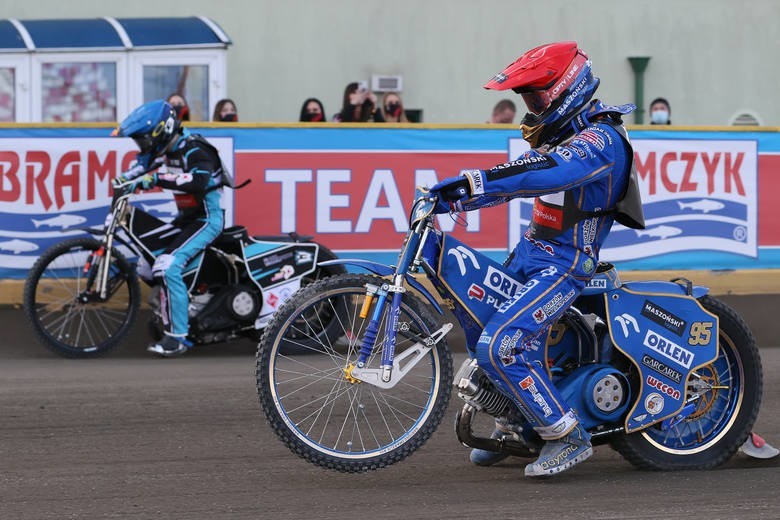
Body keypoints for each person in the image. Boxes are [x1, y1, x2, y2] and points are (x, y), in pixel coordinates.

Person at [428, 41, 645, 477]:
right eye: (528, 98)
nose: (532, 106)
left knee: (502, 345)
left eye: (538, 96)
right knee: (478, 325)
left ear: (568, 87)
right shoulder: (564, 134)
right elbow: (518, 179)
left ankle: (566, 436)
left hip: (566, 266)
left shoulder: (601, 139)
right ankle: (519, 425)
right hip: (529, 255)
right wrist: (457, 198)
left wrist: (472, 182)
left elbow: (547, 173)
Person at [111, 99, 229, 356]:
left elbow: (198, 182)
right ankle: (185, 306)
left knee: (166, 266)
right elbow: (142, 164)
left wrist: (153, 180)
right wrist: (124, 179)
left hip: (208, 221)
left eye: (143, 139)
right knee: (145, 264)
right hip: (187, 220)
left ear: (161, 131)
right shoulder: (167, 148)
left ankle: (177, 338)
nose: (142, 145)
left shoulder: (196, 149)